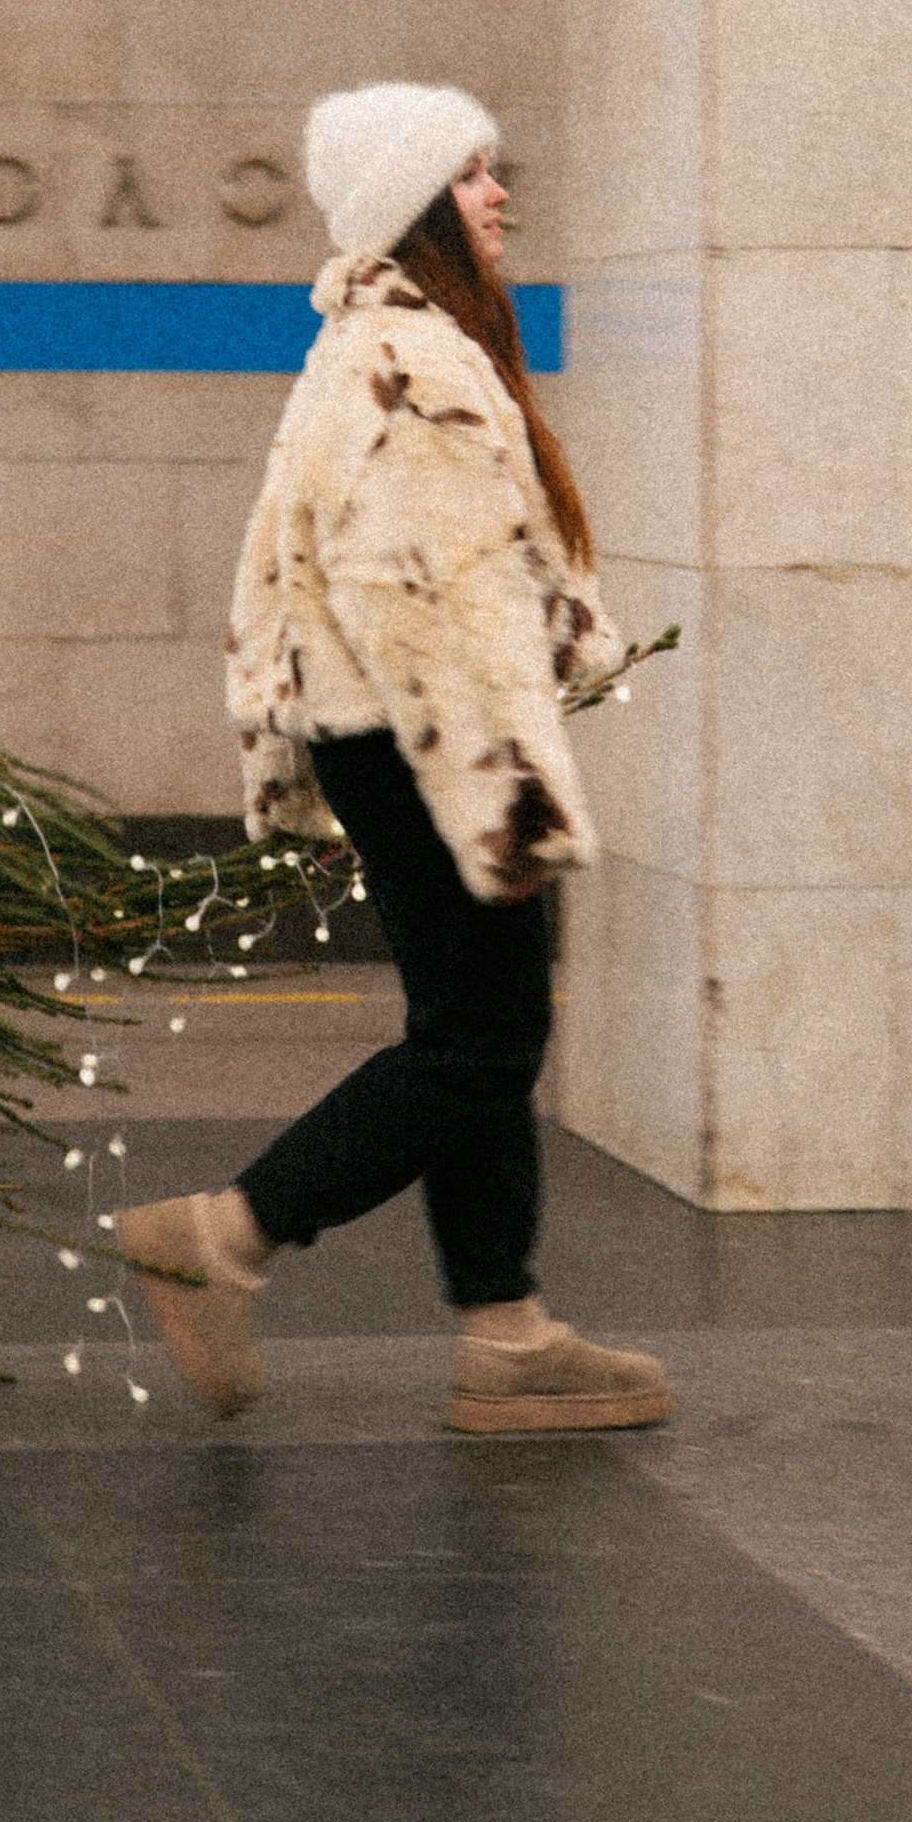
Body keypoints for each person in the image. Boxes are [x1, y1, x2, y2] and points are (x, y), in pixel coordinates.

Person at [118, 81, 670, 1437]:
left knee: (467, 1034)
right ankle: (225, 1236)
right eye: (473, 177)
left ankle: (507, 1333)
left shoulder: (370, 341)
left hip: (385, 739)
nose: (501, 197)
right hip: (433, 743)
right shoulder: (411, 360)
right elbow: (432, 604)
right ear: (414, 205)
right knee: (488, 1044)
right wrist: (505, 798)